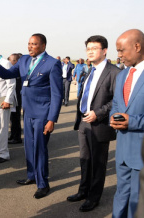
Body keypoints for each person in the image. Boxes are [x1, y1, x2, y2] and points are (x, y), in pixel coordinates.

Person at [0, 33, 63, 199]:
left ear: (43, 46)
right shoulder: (23, 61)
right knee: (28, 146)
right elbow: (8, 74)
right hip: (27, 111)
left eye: (34, 44)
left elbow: (57, 94)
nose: (30, 47)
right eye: (29, 44)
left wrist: (52, 119)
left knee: (40, 148)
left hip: (43, 113)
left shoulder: (52, 63)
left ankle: (43, 183)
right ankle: (31, 175)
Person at [67, 35, 121, 212]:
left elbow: (117, 100)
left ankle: (94, 197)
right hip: (83, 122)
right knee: (85, 160)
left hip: (100, 123)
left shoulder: (114, 72)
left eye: (94, 48)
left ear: (104, 51)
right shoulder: (90, 70)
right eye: (88, 48)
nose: (90, 51)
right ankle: (83, 191)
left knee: (98, 163)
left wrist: (98, 113)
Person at [110, 29, 144, 218]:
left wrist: (133, 122)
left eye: (122, 50)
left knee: (137, 202)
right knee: (121, 195)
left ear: (137, 46)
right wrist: (113, 118)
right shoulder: (122, 75)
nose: (119, 56)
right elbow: (116, 105)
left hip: (140, 152)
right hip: (122, 150)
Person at [8, 53, 22, 144]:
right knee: (12, 118)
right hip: (13, 98)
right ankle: (13, 135)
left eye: (11, 60)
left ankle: (17, 137)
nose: (9, 62)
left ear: (16, 61)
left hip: (17, 98)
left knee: (16, 118)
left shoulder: (19, 71)